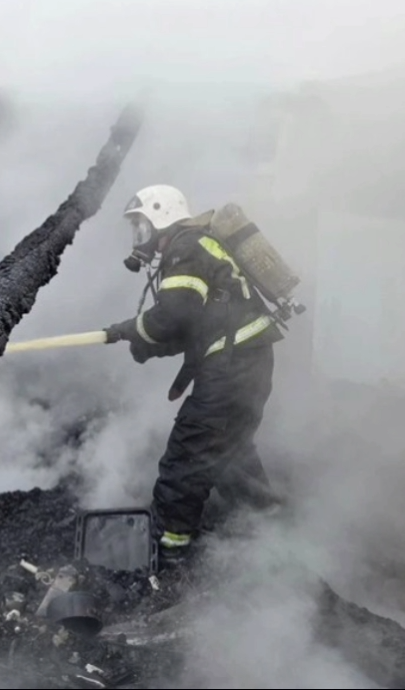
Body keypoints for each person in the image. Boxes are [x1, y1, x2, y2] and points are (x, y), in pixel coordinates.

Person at [104, 184, 283, 563]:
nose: (139, 236)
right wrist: (147, 345)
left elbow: (172, 316)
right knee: (231, 456)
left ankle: (170, 560)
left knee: (185, 462)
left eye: (141, 225)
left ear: (160, 216)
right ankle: (272, 541)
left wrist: (129, 329)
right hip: (244, 366)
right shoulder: (198, 247)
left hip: (232, 370)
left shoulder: (186, 248)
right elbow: (193, 324)